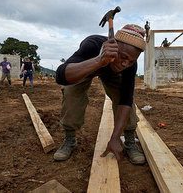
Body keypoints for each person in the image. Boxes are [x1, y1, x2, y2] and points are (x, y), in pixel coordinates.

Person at [55, 24, 146, 165]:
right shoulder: (92, 45)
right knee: (71, 92)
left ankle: (129, 140)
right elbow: (60, 76)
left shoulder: (128, 65)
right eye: (123, 57)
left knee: (122, 96)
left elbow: (126, 100)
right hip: (88, 67)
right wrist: (99, 60)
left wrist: (115, 137)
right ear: (115, 46)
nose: (125, 64)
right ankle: (70, 138)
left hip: (112, 74)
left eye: (131, 61)